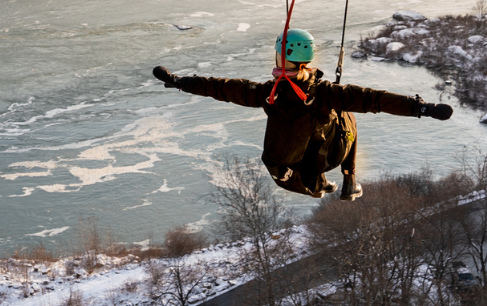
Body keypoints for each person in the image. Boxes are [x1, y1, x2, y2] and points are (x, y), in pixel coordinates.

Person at [153, 28, 453, 200]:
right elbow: (373, 99)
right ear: (307, 61)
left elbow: (224, 88)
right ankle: (349, 179)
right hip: (332, 154)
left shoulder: (270, 94)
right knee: (348, 113)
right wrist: (420, 108)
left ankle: (320, 186)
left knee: (297, 144)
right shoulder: (325, 93)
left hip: (297, 167)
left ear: (281, 57)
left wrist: (180, 82)